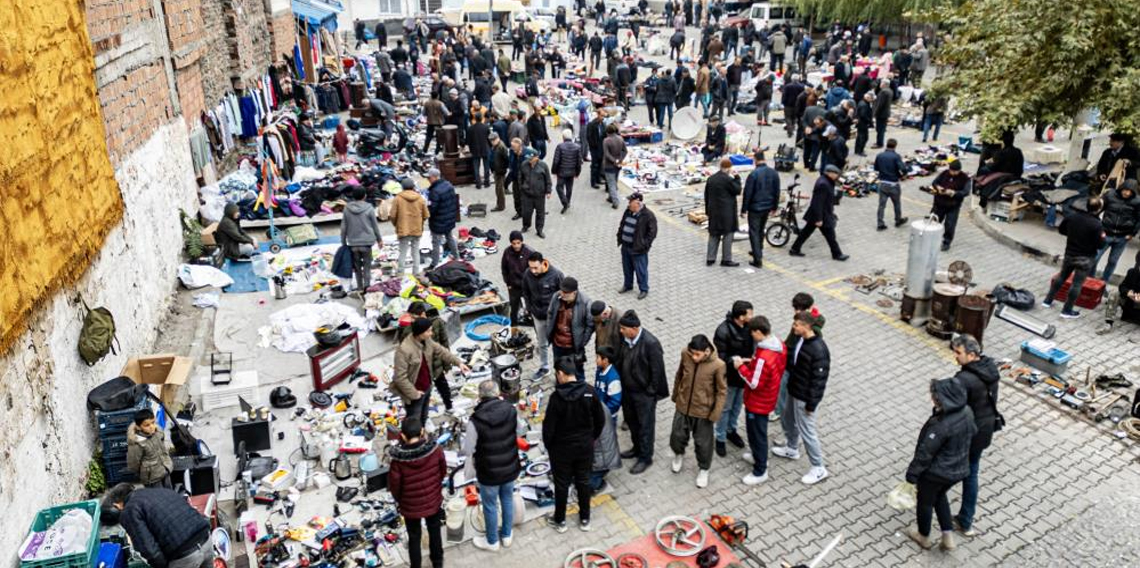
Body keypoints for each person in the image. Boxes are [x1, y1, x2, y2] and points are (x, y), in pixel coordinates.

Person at [905, 378, 977, 551]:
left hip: (937, 472)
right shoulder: (967, 411)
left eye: (934, 396)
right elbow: (974, 431)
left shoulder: (941, 425)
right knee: (940, 496)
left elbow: (925, 453)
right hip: (959, 469)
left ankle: (923, 536)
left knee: (925, 501)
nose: (932, 398)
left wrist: (912, 475)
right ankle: (947, 536)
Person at [944, 334, 1001, 537]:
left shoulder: (965, 380)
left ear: (972, 354)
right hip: (984, 431)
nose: (955, 356)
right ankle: (965, 520)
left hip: (968, 433)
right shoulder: (990, 368)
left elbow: (953, 407)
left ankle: (929, 496)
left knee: (946, 468)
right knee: (971, 472)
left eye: (958, 353)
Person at [543, 356, 607, 532]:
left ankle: (560, 521)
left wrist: (550, 447)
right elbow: (600, 420)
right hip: (584, 447)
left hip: (561, 450)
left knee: (561, 484)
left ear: (561, 374)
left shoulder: (556, 398)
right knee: (583, 481)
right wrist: (591, 438)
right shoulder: (589, 392)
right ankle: (585, 518)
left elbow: (548, 428)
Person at [772, 311, 831, 485]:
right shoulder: (800, 341)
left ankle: (818, 468)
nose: (793, 327)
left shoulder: (818, 349)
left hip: (804, 397)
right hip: (793, 390)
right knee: (788, 418)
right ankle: (791, 448)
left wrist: (811, 404)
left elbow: (819, 381)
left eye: (796, 324)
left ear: (806, 326)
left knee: (808, 431)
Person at [464, 381, 521, 551]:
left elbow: (468, 448)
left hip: (488, 471)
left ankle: (492, 541)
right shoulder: (511, 410)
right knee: (507, 499)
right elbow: (517, 431)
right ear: (497, 394)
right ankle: (507, 535)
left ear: (480, 396)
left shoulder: (475, 420)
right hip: (510, 466)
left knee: (490, 505)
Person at [101, 484, 213, 568]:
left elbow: (149, 550)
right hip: (206, 540)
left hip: (185, 556)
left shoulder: (129, 510)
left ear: (117, 505)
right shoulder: (161, 491)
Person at [668, 335, 727, 489]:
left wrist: (715, 413)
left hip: (703, 412)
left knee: (703, 444)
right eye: (692, 353)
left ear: (706, 352)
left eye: (697, 354)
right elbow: (679, 375)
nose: (693, 357)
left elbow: (721, 391)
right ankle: (678, 455)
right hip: (683, 406)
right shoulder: (685, 354)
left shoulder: (718, 365)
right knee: (677, 436)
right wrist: (676, 395)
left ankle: (704, 469)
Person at [387, 417, 447, 568]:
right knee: (435, 531)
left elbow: (395, 487)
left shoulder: (398, 461)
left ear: (403, 436)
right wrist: (434, 488)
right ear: (422, 432)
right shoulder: (436, 450)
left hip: (410, 505)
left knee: (414, 537)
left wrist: (401, 501)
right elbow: (442, 472)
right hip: (433, 500)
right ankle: (438, 562)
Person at [732, 315, 785, 484]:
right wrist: (752, 362)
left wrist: (740, 366)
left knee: (757, 434)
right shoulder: (779, 346)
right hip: (768, 397)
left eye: (752, 333)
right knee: (758, 432)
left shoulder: (763, 356)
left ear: (759, 332)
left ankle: (760, 469)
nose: (751, 336)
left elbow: (754, 383)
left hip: (757, 402)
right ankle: (757, 457)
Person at [616, 310, 668, 474]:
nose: (621, 331)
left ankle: (646, 457)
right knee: (632, 421)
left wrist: (650, 392)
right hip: (628, 391)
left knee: (645, 426)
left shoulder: (651, 343)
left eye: (624, 328)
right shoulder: (625, 339)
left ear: (635, 328)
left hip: (644, 394)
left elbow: (657, 371)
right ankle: (636, 448)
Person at [393, 318, 469, 424]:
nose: (431, 333)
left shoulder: (427, 341)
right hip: (414, 394)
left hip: (427, 387)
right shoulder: (404, 350)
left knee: (424, 416)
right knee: (414, 421)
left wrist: (459, 363)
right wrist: (414, 393)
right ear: (420, 333)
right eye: (428, 331)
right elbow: (399, 378)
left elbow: (442, 351)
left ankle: (423, 430)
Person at [1043, 197, 1106, 318]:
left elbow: (1061, 230)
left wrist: (1073, 236)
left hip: (1070, 253)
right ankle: (1066, 310)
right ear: (1099, 209)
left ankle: (1047, 301)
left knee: (1062, 276)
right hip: (1085, 257)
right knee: (1077, 284)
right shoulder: (1097, 225)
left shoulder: (1072, 217)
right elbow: (1101, 244)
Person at [396, 303, 456, 411]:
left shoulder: (437, 322)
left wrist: (447, 365)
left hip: (436, 365)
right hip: (420, 368)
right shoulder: (408, 330)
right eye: (411, 317)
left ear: (423, 314)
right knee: (422, 393)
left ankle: (449, 406)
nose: (412, 320)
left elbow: (444, 343)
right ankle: (423, 416)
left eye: (414, 317)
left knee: (443, 386)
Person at [713, 300, 753, 457]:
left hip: (744, 375)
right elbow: (720, 357)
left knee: (737, 406)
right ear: (741, 316)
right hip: (729, 377)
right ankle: (720, 437)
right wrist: (734, 361)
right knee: (725, 408)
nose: (752, 316)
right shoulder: (723, 331)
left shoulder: (750, 327)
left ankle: (731, 430)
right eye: (750, 313)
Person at [789, 165, 848, 261]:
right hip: (821, 215)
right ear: (829, 173)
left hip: (820, 214)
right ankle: (837, 254)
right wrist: (819, 219)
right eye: (836, 174)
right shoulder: (823, 184)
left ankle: (794, 249)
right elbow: (817, 203)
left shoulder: (826, 181)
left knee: (806, 232)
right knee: (830, 235)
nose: (837, 176)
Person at [523, 251, 565, 378]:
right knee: (542, 344)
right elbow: (525, 293)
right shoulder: (527, 274)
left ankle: (561, 370)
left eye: (536, 267)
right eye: (531, 267)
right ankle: (544, 367)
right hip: (538, 316)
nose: (533, 271)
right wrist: (529, 309)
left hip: (555, 318)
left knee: (559, 345)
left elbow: (564, 295)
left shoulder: (556, 275)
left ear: (543, 263)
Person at [547, 277, 594, 380]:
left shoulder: (586, 302)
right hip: (557, 343)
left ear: (574, 293)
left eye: (566, 293)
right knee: (559, 369)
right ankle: (561, 389)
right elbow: (550, 314)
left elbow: (590, 325)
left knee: (577, 372)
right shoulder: (557, 296)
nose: (562, 294)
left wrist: (581, 342)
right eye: (561, 291)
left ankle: (579, 391)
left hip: (573, 347)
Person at [591, 346, 623, 491]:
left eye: (598, 357)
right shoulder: (600, 371)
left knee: (607, 442)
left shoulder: (613, 378)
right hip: (598, 415)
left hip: (608, 418)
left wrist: (601, 414)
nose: (596, 360)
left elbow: (615, 403)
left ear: (606, 360)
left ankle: (605, 467)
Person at [1094, 179, 1140, 282]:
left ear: (1134, 192)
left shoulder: (1137, 201)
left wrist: (1132, 234)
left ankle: (1103, 283)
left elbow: (1138, 219)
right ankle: (1090, 280)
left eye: (1130, 191)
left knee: (1112, 262)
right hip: (1105, 233)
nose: (1127, 193)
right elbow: (1098, 208)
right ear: (1121, 188)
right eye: (1125, 190)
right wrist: (1096, 225)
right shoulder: (1110, 195)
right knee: (1095, 259)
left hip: (1122, 237)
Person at [741, 151, 780, 268]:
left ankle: (757, 259)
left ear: (755, 160)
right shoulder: (774, 173)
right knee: (761, 229)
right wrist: (774, 207)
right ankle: (758, 250)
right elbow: (776, 191)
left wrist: (744, 209)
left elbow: (748, 193)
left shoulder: (754, 174)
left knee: (753, 231)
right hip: (767, 207)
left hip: (755, 208)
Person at [340, 187, 383, 292]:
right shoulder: (369, 208)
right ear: (365, 196)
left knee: (357, 268)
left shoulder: (347, 209)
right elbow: (375, 226)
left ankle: (360, 287)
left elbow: (343, 227)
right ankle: (367, 287)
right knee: (367, 266)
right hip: (367, 242)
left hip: (353, 243)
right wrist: (379, 240)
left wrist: (343, 242)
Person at [615, 192, 658, 299]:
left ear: (638, 203)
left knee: (641, 270)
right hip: (626, 246)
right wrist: (620, 235)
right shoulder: (628, 211)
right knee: (627, 268)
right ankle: (628, 285)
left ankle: (644, 289)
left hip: (638, 249)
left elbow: (652, 232)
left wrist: (644, 245)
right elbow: (622, 224)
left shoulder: (648, 215)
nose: (629, 204)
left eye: (631, 202)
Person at [705, 158, 742, 267]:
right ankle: (726, 259)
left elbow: (706, 196)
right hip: (727, 213)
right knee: (728, 235)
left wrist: (708, 210)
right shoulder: (728, 180)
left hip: (714, 212)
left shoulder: (711, 179)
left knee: (713, 234)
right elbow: (738, 190)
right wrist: (737, 177)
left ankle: (710, 258)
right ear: (729, 168)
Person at [389, 178, 430, 274]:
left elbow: (392, 215)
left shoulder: (398, 199)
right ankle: (416, 273)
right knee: (415, 251)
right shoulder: (419, 198)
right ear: (413, 186)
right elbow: (426, 214)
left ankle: (401, 273)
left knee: (402, 252)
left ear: (402, 187)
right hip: (416, 229)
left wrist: (397, 224)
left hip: (403, 229)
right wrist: (420, 222)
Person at [930, 160, 971, 251]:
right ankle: (931, 238)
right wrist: (938, 187)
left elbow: (965, 192)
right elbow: (934, 182)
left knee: (950, 224)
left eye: (954, 171)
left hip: (953, 205)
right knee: (934, 221)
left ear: (959, 170)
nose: (952, 173)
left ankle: (946, 242)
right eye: (951, 170)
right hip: (939, 203)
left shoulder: (965, 178)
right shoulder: (945, 173)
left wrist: (953, 193)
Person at [126, 409, 172, 489]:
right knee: (157, 498)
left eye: (153, 423)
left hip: (165, 469)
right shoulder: (137, 443)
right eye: (146, 425)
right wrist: (145, 472)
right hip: (152, 477)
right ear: (138, 427)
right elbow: (133, 463)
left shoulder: (158, 432)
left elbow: (162, 448)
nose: (151, 427)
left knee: (169, 493)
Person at [424, 169, 459, 269]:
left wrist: (426, 211)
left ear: (435, 177)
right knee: (450, 237)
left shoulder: (434, 191)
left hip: (438, 221)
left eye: (429, 177)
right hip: (449, 218)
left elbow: (432, 209)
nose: (428, 180)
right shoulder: (448, 185)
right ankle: (457, 257)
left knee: (436, 243)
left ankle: (434, 264)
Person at [873, 139, 909, 231]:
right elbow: (903, 169)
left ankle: (880, 223)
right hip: (893, 184)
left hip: (883, 184)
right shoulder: (896, 157)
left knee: (881, 205)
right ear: (895, 146)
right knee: (896, 203)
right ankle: (898, 220)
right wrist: (903, 175)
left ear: (887, 145)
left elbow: (876, 168)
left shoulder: (879, 155)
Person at [500, 231, 534, 326]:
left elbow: (535, 270)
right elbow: (504, 268)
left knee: (530, 305)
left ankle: (531, 321)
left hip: (526, 286)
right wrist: (508, 284)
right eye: (513, 243)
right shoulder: (507, 252)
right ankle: (514, 326)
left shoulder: (529, 252)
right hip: (514, 286)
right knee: (514, 307)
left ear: (522, 242)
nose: (516, 246)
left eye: (518, 243)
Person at [1098, 262, 1140, 335]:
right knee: (1114, 294)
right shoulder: (1132, 272)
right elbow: (1122, 286)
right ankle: (1109, 323)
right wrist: (1128, 292)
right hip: (1129, 304)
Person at [519, 148, 552, 238]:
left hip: (539, 195)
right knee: (526, 212)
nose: (529, 160)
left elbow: (548, 179)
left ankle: (539, 230)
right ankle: (526, 226)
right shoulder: (524, 165)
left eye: (531, 158)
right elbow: (520, 178)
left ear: (536, 157)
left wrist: (548, 191)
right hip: (527, 194)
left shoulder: (543, 166)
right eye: (528, 158)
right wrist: (522, 189)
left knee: (540, 213)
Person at [551, 129, 585, 214]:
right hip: (572, 172)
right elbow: (579, 162)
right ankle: (568, 202)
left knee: (559, 187)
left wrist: (554, 171)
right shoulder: (577, 147)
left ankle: (565, 202)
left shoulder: (560, 146)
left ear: (563, 137)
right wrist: (578, 173)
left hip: (561, 172)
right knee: (569, 188)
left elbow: (556, 161)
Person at [603, 123, 627, 208]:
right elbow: (625, 151)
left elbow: (606, 154)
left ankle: (615, 202)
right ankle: (610, 197)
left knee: (611, 183)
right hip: (618, 165)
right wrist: (620, 160)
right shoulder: (620, 138)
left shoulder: (606, 140)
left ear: (607, 132)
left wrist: (614, 161)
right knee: (614, 181)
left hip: (609, 165)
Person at [468, 115, 492, 189]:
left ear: (475, 119)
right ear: (482, 118)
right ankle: (487, 182)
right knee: (486, 166)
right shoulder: (486, 127)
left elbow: (468, 141)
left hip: (475, 149)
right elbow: (489, 138)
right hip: (485, 148)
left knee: (476, 167)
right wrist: (490, 146)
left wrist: (470, 148)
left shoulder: (470, 128)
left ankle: (478, 183)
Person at [489, 132, 511, 212]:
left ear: (498, 138)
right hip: (496, 170)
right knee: (498, 189)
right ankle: (500, 204)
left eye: (493, 140)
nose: (492, 142)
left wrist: (503, 169)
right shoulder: (495, 146)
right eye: (491, 140)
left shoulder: (501, 147)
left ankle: (500, 206)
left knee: (499, 190)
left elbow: (507, 160)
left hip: (500, 171)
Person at [586, 109, 607, 189]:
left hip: (601, 147)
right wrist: (593, 146)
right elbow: (588, 136)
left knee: (600, 164)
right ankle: (593, 182)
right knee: (594, 165)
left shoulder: (603, 124)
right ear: (598, 115)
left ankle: (598, 179)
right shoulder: (591, 124)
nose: (603, 118)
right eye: (602, 116)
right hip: (594, 148)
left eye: (603, 116)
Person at [871, 79, 893, 148]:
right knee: (882, 128)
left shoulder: (883, 92)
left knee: (880, 129)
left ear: (885, 84)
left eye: (881, 83)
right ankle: (879, 142)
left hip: (881, 114)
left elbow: (880, 104)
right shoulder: (890, 91)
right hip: (885, 113)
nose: (880, 85)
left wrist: (874, 113)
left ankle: (879, 143)